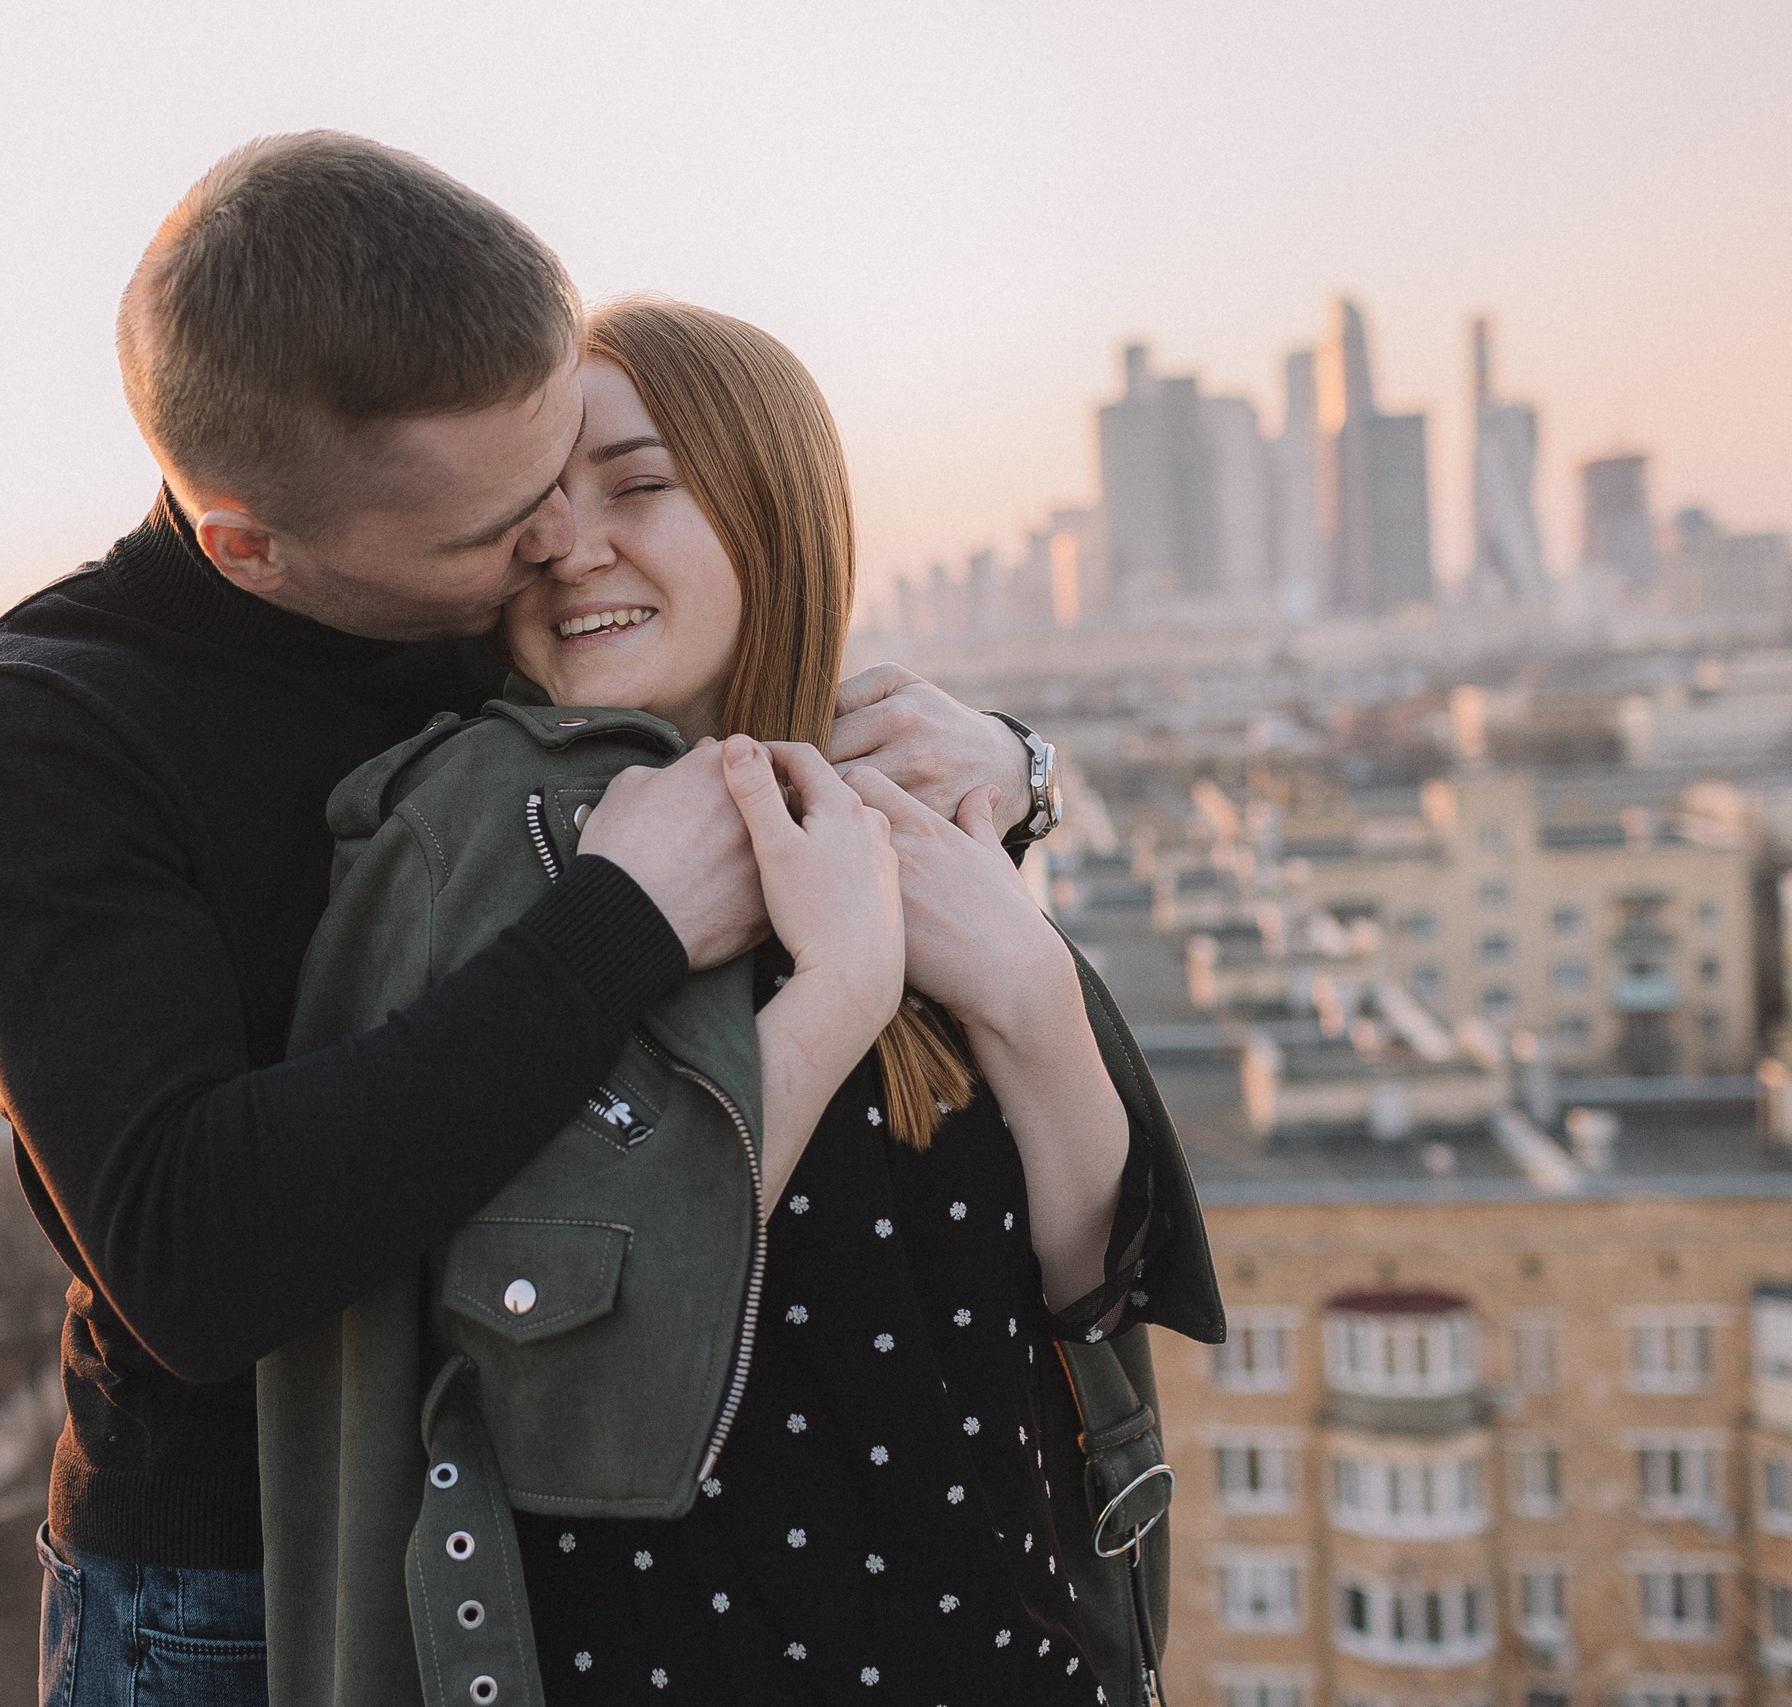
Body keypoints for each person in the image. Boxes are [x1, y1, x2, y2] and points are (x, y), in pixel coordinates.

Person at [0, 135, 1047, 1707]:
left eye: (560, 474)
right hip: (235, 1581)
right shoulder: (51, 728)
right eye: (495, 528)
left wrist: (1009, 766)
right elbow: (191, 1259)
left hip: (537, 1526)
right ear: (251, 541)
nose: (553, 545)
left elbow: (732, 673)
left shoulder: (475, 597)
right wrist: (620, 926)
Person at [265, 299, 1217, 1705]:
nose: (569, 542)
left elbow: (1088, 1290)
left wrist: (1027, 990)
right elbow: (561, 1376)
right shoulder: (483, 840)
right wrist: (833, 995)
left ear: (773, 505)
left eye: (638, 484)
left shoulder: (888, 815)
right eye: (535, 507)